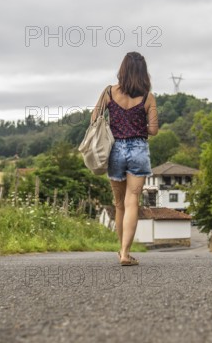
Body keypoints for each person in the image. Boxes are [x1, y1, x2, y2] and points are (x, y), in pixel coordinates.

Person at [92, 52, 159, 266]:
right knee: (132, 202)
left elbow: (94, 118)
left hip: (115, 151)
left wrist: (115, 123)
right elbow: (154, 130)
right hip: (139, 148)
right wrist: (139, 125)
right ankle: (125, 253)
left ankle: (122, 251)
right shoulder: (148, 96)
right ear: (142, 72)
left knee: (119, 204)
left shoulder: (109, 92)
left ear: (123, 69)